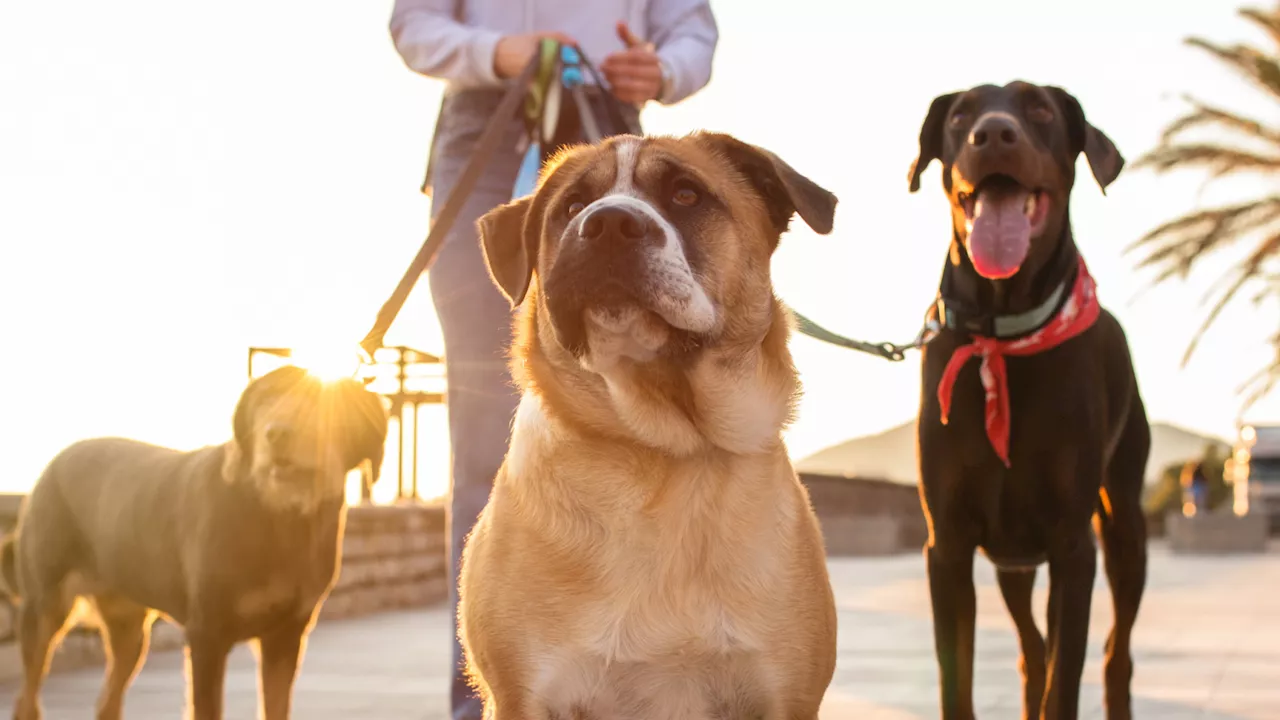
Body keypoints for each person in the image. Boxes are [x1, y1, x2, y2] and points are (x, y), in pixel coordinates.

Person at [386, 3, 718, 718]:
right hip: (488, 129)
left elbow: (692, 25)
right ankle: (480, 702)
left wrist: (666, 68)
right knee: (486, 434)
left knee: (644, 419)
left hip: (612, 125)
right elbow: (412, 22)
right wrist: (496, 52)